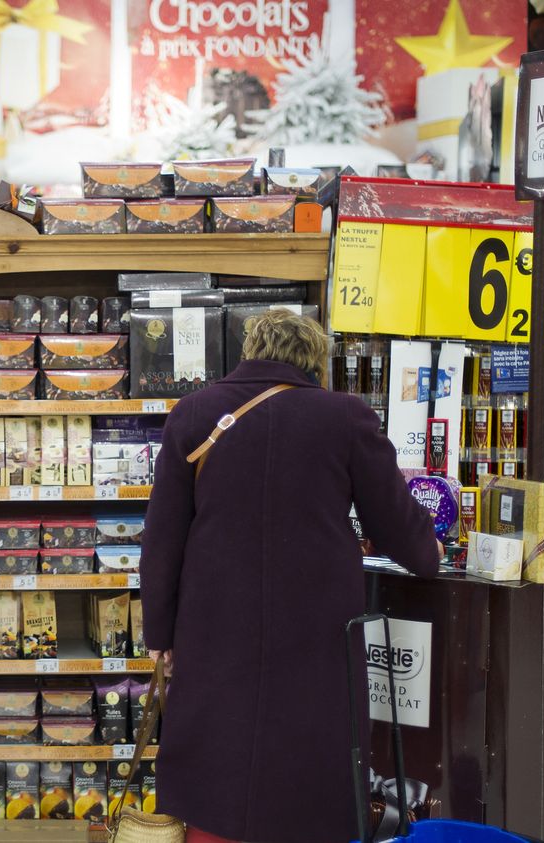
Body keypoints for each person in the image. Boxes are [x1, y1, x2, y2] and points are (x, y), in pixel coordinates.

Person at [140, 309, 441, 843]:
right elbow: (394, 520)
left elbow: (163, 539)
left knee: (218, 758)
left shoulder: (192, 413)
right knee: (308, 765)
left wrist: (161, 635)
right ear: (313, 361)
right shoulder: (346, 417)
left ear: (251, 351)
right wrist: (430, 550)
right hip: (316, 628)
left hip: (214, 625)